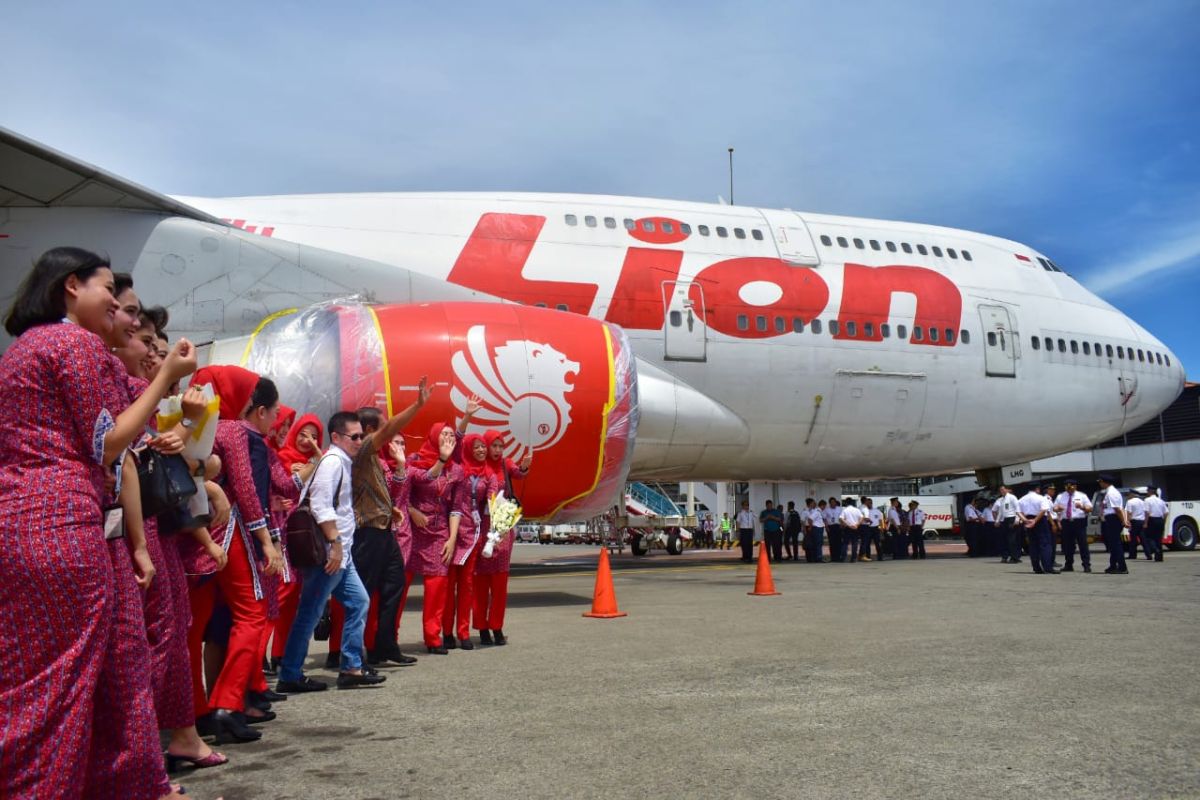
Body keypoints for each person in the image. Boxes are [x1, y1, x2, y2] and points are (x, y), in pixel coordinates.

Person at [0, 247, 197, 799]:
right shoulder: (71, 342)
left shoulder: (27, 349)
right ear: (71, 286)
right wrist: (169, 380)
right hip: (62, 522)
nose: (117, 303)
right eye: (108, 289)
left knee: (56, 677)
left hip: (27, 518)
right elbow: (106, 444)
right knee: (57, 687)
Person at [187, 367, 293, 741]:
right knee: (252, 614)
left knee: (193, 628)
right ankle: (228, 705)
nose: (250, 401)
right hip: (224, 532)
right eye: (245, 393)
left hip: (186, 534)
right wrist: (265, 539)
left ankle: (196, 710)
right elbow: (247, 490)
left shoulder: (188, 423)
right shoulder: (233, 430)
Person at [277, 411, 384, 692]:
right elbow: (321, 507)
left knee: (359, 602)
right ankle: (290, 674)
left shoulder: (341, 462)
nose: (360, 441)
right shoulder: (333, 462)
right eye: (355, 436)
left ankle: (351, 667)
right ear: (336, 437)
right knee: (309, 613)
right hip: (329, 554)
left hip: (341, 555)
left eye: (362, 436)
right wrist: (335, 545)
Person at [350, 392, 427, 664]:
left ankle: (386, 646)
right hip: (367, 533)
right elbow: (392, 425)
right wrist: (417, 405)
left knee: (394, 586)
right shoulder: (363, 450)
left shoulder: (376, 460)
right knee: (364, 594)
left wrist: (390, 509)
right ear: (371, 430)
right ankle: (356, 656)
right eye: (382, 426)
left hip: (384, 531)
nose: (389, 430)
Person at [268, 413, 325, 672]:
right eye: (302, 434)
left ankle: (280, 654)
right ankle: (260, 654)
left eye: (314, 436)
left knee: (293, 599)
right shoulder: (281, 458)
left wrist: (315, 459)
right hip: (284, 533)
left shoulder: (318, 463)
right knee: (281, 594)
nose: (307, 440)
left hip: (306, 536)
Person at [408, 423, 466, 653]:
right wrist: (413, 512)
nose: (449, 437)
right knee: (399, 586)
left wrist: (452, 538)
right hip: (411, 529)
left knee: (437, 587)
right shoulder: (415, 459)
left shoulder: (457, 471)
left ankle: (433, 638)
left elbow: (456, 508)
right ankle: (387, 639)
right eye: (444, 433)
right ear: (433, 436)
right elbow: (401, 495)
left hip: (439, 530)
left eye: (452, 435)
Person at [475, 429, 527, 646]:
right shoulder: (479, 468)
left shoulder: (506, 464)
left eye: (500, 446)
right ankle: (482, 629)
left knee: (499, 582)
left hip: (503, 527)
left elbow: (519, 473)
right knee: (480, 582)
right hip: (482, 528)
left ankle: (497, 626)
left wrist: (524, 466)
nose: (496, 450)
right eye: (493, 446)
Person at [1054, 478, 1092, 572]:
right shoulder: (1060, 496)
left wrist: (1082, 507)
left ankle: (1086, 565)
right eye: (1067, 487)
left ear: (1075, 486)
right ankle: (1069, 564)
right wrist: (1058, 508)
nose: (1069, 489)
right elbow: (1054, 508)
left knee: (1083, 544)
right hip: (1066, 522)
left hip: (1079, 522)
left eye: (1070, 487)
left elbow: (1090, 508)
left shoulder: (1082, 496)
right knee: (1068, 545)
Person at [1017, 484, 1055, 574]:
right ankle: (1047, 567)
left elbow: (1018, 511)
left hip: (1028, 520)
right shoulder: (1041, 498)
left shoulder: (1022, 499)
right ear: (1037, 489)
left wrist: (1025, 520)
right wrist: (1035, 520)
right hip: (1040, 520)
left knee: (1033, 545)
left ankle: (1036, 567)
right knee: (1045, 544)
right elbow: (1043, 510)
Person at [1098, 474, 1129, 574]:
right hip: (1111, 518)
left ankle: (1122, 567)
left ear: (1104, 482)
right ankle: (1113, 565)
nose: (1100, 484)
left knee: (1116, 544)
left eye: (1100, 482)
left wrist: (1123, 521)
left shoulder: (1112, 493)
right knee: (1112, 544)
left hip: (1113, 519)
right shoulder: (1109, 492)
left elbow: (1117, 509)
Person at [996, 485, 1022, 564]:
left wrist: (1017, 519)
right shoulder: (1001, 500)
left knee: (1012, 539)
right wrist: (997, 520)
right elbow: (1000, 511)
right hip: (1005, 520)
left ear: (1007, 490)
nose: (1002, 491)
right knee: (1004, 539)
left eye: (1003, 489)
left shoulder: (1012, 497)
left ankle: (1014, 557)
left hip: (1012, 518)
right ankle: (1005, 557)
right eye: (1001, 490)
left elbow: (1018, 508)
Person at [1144, 486, 1168, 562]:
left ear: (1150, 491)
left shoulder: (1147, 500)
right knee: (1158, 539)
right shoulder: (1161, 501)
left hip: (1152, 520)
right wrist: (1163, 521)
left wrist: (1145, 523)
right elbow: (1166, 512)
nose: (1147, 492)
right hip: (1160, 520)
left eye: (1147, 491)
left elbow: (1147, 512)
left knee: (1149, 537)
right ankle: (1159, 557)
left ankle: (1155, 549)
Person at [838, 498, 864, 563]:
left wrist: (848, 525)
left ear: (846, 503)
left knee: (845, 543)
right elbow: (862, 518)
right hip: (855, 527)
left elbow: (841, 518)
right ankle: (853, 558)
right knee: (854, 543)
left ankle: (843, 557)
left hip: (848, 528)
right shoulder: (857, 510)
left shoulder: (845, 510)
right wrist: (857, 525)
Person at [1125, 489, 1147, 560]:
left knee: (1133, 540)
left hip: (1134, 522)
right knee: (1143, 539)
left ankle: (1133, 555)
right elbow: (1145, 511)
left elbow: (1129, 513)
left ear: (1132, 494)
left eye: (1128, 494)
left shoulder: (1130, 502)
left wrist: (1128, 522)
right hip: (1141, 521)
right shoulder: (1142, 502)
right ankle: (1148, 554)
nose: (1127, 496)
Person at [804, 498, 826, 563]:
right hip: (817, 529)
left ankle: (816, 557)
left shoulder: (818, 511)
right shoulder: (817, 511)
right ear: (822, 505)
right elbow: (810, 519)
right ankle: (818, 558)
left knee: (818, 544)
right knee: (818, 544)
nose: (825, 507)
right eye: (824, 506)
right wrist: (810, 527)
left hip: (819, 529)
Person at [861, 497, 881, 561]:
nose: (868, 504)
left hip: (876, 528)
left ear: (871, 503)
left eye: (870, 503)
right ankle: (868, 556)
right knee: (867, 544)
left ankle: (880, 557)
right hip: (868, 528)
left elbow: (880, 520)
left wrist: (880, 527)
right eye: (867, 503)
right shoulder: (865, 510)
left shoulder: (877, 510)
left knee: (878, 543)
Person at [824, 498, 844, 562]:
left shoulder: (840, 509)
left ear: (836, 502)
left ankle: (839, 557)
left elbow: (842, 517)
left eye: (834, 502)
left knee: (839, 542)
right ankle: (833, 558)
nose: (833, 503)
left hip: (838, 526)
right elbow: (825, 519)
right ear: (830, 503)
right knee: (832, 543)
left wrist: (842, 524)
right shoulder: (827, 510)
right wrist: (826, 527)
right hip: (830, 527)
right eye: (832, 502)